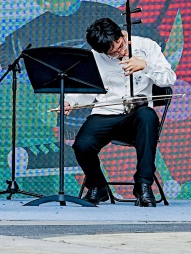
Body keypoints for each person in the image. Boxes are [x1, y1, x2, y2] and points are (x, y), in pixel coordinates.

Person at [64, 17, 176, 207]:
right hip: (105, 112)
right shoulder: (94, 57)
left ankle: (143, 185)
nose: (121, 53)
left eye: (121, 46)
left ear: (122, 35)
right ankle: (98, 186)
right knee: (82, 146)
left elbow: (169, 79)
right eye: (113, 53)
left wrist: (145, 66)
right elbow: (86, 91)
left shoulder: (147, 46)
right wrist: (70, 101)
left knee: (148, 116)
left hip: (136, 117)